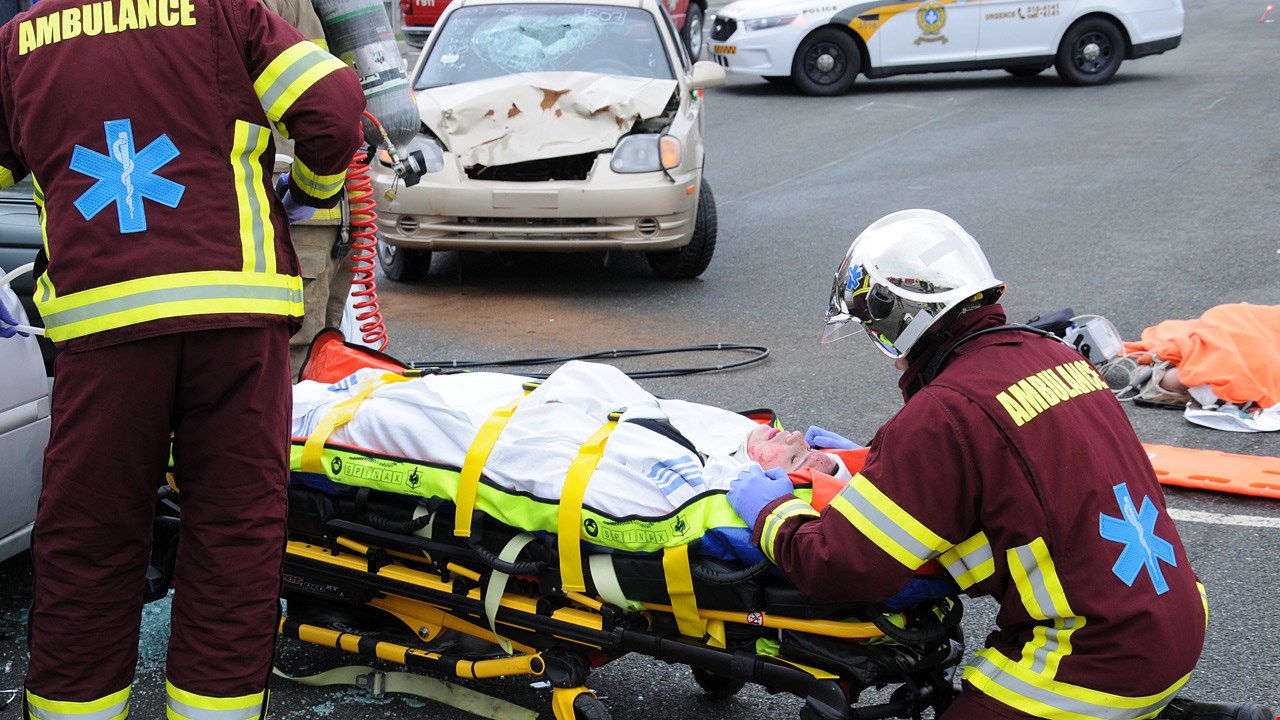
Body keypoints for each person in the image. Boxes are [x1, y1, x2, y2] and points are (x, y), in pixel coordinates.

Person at [0, 0, 365, 716]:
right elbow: (334, 106)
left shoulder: (19, 41)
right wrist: (312, 191)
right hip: (235, 321)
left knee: (90, 537)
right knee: (234, 532)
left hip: (103, 331)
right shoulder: (226, 12)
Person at [727, 209, 1208, 719]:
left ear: (897, 317)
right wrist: (874, 465)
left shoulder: (944, 413)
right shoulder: (1056, 356)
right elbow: (1008, 474)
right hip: (1177, 619)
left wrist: (772, 509)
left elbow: (840, 566)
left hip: (1094, 662)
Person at [255, 0, 360, 377]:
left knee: (295, 368)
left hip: (293, 213)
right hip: (332, 210)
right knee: (317, 360)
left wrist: (303, 194)